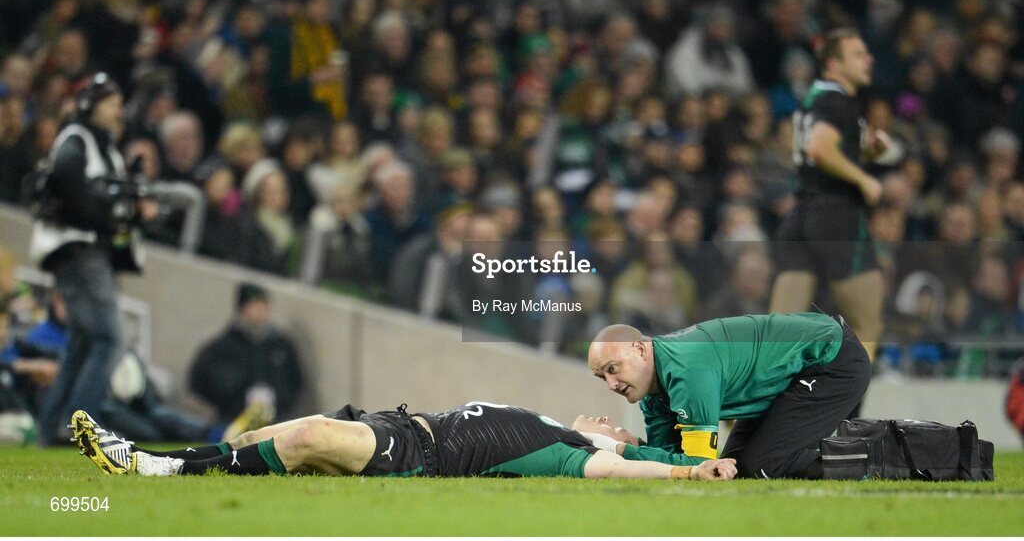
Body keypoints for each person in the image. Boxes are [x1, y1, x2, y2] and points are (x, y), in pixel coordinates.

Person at [70, 402, 737, 481]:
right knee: (259, 436)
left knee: (303, 437)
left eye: (616, 424)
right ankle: (144, 452)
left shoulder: (578, 454)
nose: (607, 415)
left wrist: (688, 471)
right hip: (400, 422)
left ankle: (152, 469)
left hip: (417, 455)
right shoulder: (554, 426)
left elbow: (636, 467)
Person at [28, 73, 158, 445]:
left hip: (86, 251)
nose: (118, 111)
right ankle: (81, 429)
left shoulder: (105, 148)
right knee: (112, 340)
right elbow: (70, 190)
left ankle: (50, 431)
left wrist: (130, 204)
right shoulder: (76, 140)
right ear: (90, 104)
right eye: (110, 103)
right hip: (77, 248)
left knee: (83, 343)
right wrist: (115, 201)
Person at [587, 313, 870, 479]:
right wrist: (634, 443)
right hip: (795, 370)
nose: (611, 384)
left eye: (613, 369)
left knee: (764, 464)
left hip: (832, 359)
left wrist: (617, 449)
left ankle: (888, 455)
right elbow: (674, 463)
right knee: (735, 468)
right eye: (603, 377)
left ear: (639, 349)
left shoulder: (687, 372)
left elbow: (696, 461)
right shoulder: (652, 391)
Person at [770, 28, 886, 360]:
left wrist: (866, 153)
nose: (869, 59)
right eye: (858, 54)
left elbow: (819, 154)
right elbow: (820, 148)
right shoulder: (838, 100)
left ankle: (743, 409)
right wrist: (864, 179)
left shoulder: (814, 97)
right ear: (833, 64)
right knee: (867, 327)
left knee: (778, 332)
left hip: (802, 212)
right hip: (837, 218)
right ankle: (847, 410)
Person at [188, 283, 304, 427]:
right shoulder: (223, 346)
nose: (261, 313)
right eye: (255, 307)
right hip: (231, 420)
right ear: (242, 309)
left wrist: (279, 403)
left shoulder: (281, 345)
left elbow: (295, 380)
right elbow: (199, 380)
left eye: (264, 307)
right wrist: (232, 401)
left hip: (275, 421)